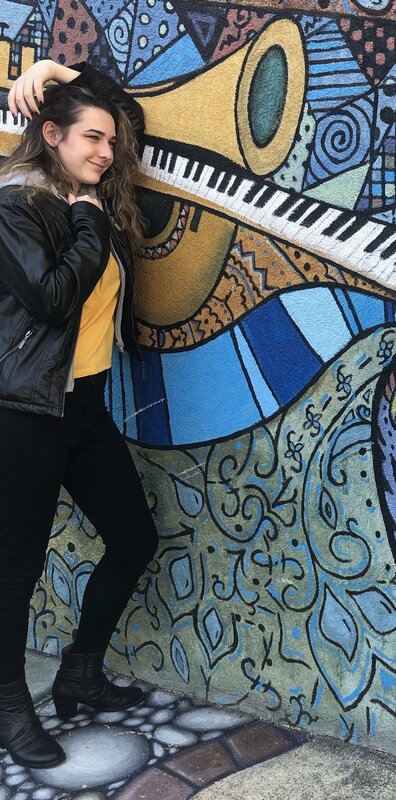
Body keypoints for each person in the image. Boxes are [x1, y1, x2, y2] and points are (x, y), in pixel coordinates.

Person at [0, 60, 158, 768]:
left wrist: (71, 70)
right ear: (51, 133)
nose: (107, 152)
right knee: (16, 567)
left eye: (112, 144)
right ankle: (9, 706)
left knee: (134, 537)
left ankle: (80, 672)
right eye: (92, 138)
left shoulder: (87, 186)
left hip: (84, 408)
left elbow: (129, 117)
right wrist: (91, 222)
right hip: (25, 412)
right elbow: (53, 297)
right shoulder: (18, 204)